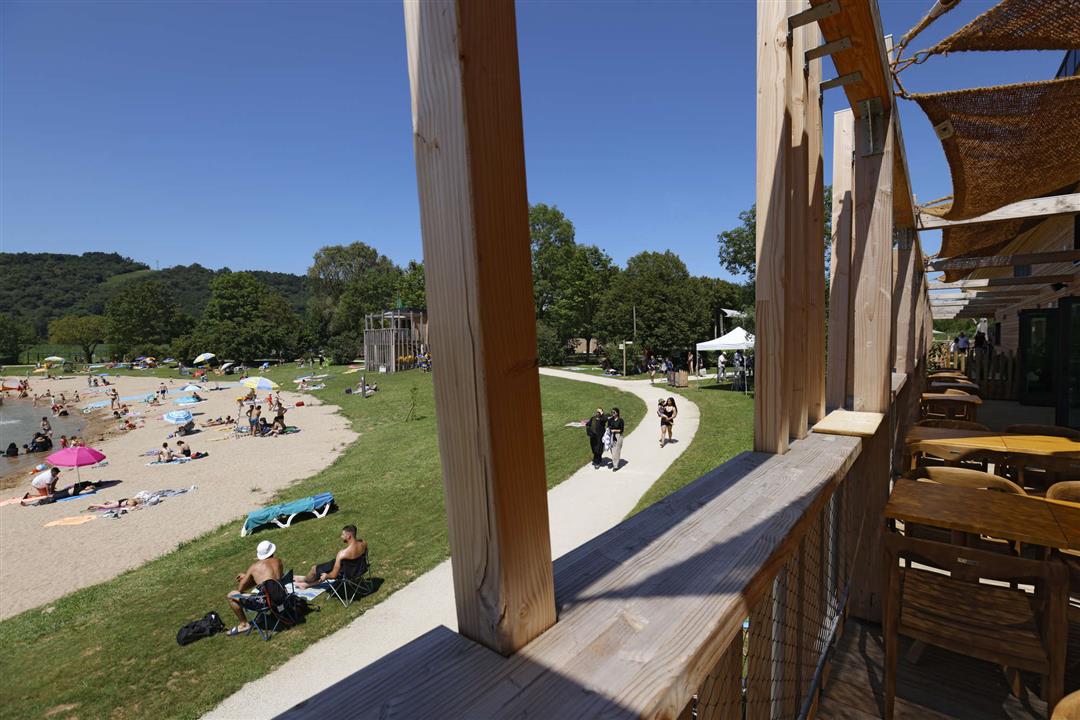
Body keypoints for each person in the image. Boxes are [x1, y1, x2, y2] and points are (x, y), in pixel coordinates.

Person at [226, 540, 284, 636]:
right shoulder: (278, 561)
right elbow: (271, 579)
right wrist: (252, 577)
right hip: (282, 597)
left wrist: (246, 577)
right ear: (272, 551)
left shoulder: (255, 567)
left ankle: (244, 624)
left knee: (231, 595)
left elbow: (240, 590)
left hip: (267, 602)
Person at [295, 525, 368, 590]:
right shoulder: (363, 543)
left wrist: (327, 576)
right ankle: (306, 583)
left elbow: (333, 575)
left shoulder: (342, 554)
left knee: (314, 569)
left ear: (349, 536)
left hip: (346, 572)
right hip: (359, 569)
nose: (341, 536)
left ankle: (305, 579)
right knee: (325, 567)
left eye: (343, 534)